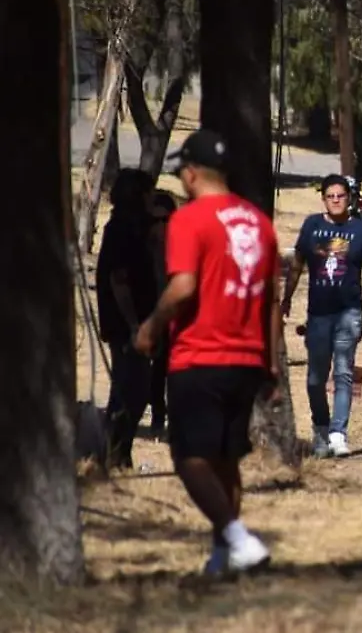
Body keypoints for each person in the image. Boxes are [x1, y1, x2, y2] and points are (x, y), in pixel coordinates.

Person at [133, 128, 280, 574]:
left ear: (192, 173)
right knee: (226, 461)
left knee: (190, 458)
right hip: (247, 357)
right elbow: (272, 300)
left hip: (200, 355)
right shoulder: (259, 222)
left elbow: (183, 287)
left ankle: (240, 540)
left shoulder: (190, 219)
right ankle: (223, 558)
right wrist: (271, 364)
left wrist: (151, 327)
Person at [282, 174, 362, 458]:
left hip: (349, 312)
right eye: (331, 196)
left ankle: (339, 434)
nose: (336, 200)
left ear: (349, 198)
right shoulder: (312, 226)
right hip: (318, 314)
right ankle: (321, 430)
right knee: (315, 379)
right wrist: (286, 298)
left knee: (343, 373)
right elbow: (297, 265)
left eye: (341, 196)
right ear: (323, 199)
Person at [96, 169, 158, 469]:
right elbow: (119, 281)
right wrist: (134, 324)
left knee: (137, 389)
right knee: (128, 389)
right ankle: (113, 454)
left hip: (133, 323)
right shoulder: (121, 231)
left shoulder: (134, 229)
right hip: (125, 326)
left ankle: (121, 454)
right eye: (148, 194)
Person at [147, 190, 178, 437]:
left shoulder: (181, 247)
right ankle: (158, 414)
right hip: (152, 315)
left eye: (165, 220)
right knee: (157, 369)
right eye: (155, 220)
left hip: (177, 316)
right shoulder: (143, 249)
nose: (160, 226)